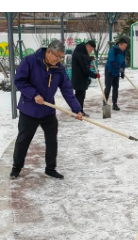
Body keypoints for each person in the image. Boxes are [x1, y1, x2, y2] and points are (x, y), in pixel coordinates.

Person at [11, 40, 83, 180]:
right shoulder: (30, 61)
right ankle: (16, 167)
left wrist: (76, 109)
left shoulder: (59, 69)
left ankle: (50, 168)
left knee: (52, 140)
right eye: (57, 56)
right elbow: (19, 81)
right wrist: (34, 94)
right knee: (23, 140)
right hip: (29, 109)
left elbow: (67, 90)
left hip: (48, 110)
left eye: (61, 57)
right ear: (49, 52)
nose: (59, 60)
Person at [71, 40, 100, 117]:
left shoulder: (80, 51)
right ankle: (79, 111)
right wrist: (95, 75)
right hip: (80, 78)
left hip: (78, 78)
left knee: (79, 95)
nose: (91, 51)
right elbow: (85, 69)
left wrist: (89, 58)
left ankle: (76, 111)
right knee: (80, 96)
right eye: (91, 49)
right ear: (87, 46)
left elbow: (83, 60)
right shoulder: (81, 54)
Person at [104, 37, 128, 111]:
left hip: (116, 72)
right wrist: (118, 68)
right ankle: (105, 104)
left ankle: (115, 104)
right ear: (120, 45)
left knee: (116, 88)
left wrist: (122, 71)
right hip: (109, 71)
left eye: (126, 46)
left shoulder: (123, 52)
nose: (125, 48)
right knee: (108, 88)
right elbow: (111, 61)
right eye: (124, 46)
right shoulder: (113, 50)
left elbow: (123, 62)